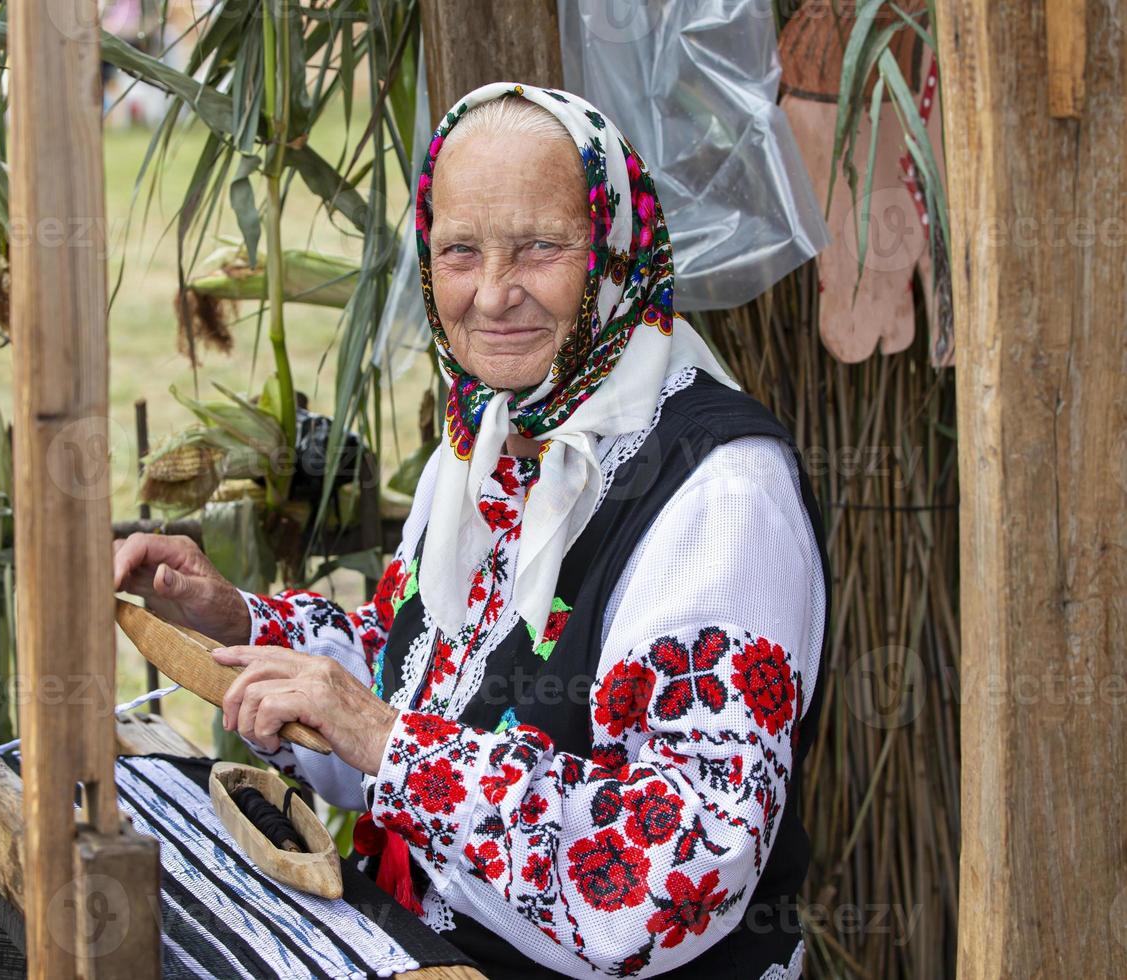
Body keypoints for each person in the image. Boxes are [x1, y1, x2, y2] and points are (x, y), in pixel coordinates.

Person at [114, 82, 828, 979]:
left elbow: (668, 878)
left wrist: (383, 741)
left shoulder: (719, 496)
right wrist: (237, 623)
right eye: (459, 251)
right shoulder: (490, 432)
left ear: (612, 247)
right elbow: (417, 674)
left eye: (540, 246)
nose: (492, 296)